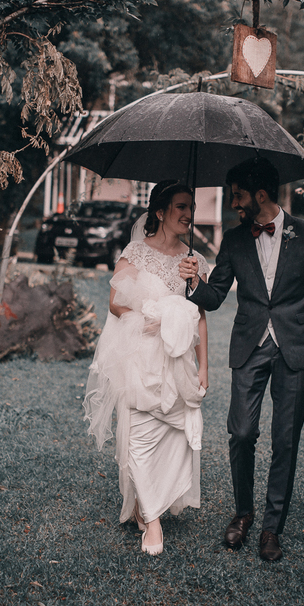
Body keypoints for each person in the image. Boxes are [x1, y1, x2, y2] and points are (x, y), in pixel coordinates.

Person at [179, 158, 304, 562]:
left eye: (238, 196)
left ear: (260, 194)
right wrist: (194, 280)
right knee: (241, 432)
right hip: (249, 346)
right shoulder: (235, 239)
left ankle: (271, 528)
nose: (233, 205)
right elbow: (215, 296)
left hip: (294, 349)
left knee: (285, 442)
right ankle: (243, 513)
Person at [84, 181, 209, 556]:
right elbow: (114, 304)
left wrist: (206, 367)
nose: (188, 214)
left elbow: (200, 317)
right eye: (181, 207)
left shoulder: (195, 261)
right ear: (160, 212)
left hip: (179, 360)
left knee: (175, 436)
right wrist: (151, 315)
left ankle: (149, 499)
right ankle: (152, 522)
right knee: (138, 434)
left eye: (191, 207)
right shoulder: (136, 253)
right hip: (140, 353)